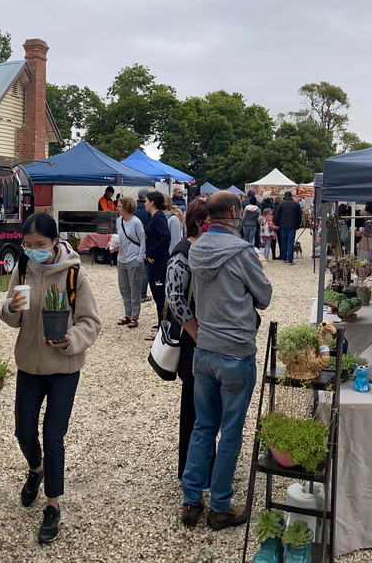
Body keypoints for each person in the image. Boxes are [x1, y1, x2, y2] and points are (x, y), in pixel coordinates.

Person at [0, 213, 101, 545]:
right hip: (29, 365)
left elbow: (90, 321)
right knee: (24, 431)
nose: (33, 251)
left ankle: (52, 505)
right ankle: (37, 470)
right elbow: (11, 319)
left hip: (64, 368)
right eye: (27, 246)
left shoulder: (75, 274)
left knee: (53, 436)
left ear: (55, 242)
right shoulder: (24, 268)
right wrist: (11, 308)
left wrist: (70, 339)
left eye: (40, 245)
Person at [181, 192, 272, 530]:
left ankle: (192, 501)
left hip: (203, 349)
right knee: (230, 431)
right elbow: (264, 296)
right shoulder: (242, 251)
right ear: (234, 212)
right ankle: (220, 506)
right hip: (235, 350)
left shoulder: (197, 247)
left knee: (203, 426)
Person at [164, 195, 214, 479]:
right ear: (199, 223)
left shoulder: (205, 249)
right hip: (191, 343)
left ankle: (204, 466)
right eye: (212, 221)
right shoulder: (184, 252)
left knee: (204, 408)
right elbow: (174, 297)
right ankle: (192, 470)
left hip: (205, 340)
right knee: (195, 410)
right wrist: (195, 332)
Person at [113, 196, 145, 329]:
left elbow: (142, 239)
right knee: (124, 288)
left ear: (126, 207)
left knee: (135, 288)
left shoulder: (136, 222)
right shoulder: (119, 221)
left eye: (120, 206)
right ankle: (128, 314)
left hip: (133, 258)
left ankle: (135, 316)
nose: (117, 208)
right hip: (122, 258)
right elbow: (119, 238)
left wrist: (139, 258)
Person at [144, 191, 171, 338]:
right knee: (157, 296)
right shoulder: (155, 217)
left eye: (146, 201)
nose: (145, 203)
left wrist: (152, 253)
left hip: (159, 262)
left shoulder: (159, 217)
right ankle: (162, 328)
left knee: (160, 297)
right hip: (154, 261)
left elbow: (166, 236)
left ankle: (163, 331)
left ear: (153, 202)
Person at [274, 191, 302, 264]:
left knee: (283, 242)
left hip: (282, 225)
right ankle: (290, 260)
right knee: (290, 242)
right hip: (292, 225)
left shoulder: (281, 204)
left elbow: (277, 215)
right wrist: (298, 224)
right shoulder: (296, 204)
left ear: (284, 196)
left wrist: (277, 223)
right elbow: (299, 215)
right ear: (291, 196)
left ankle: (284, 258)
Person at [135, 189, 152, 303]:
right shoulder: (149, 212)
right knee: (145, 270)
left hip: (134, 243)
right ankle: (142, 294)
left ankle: (135, 294)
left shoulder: (133, 211)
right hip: (146, 242)